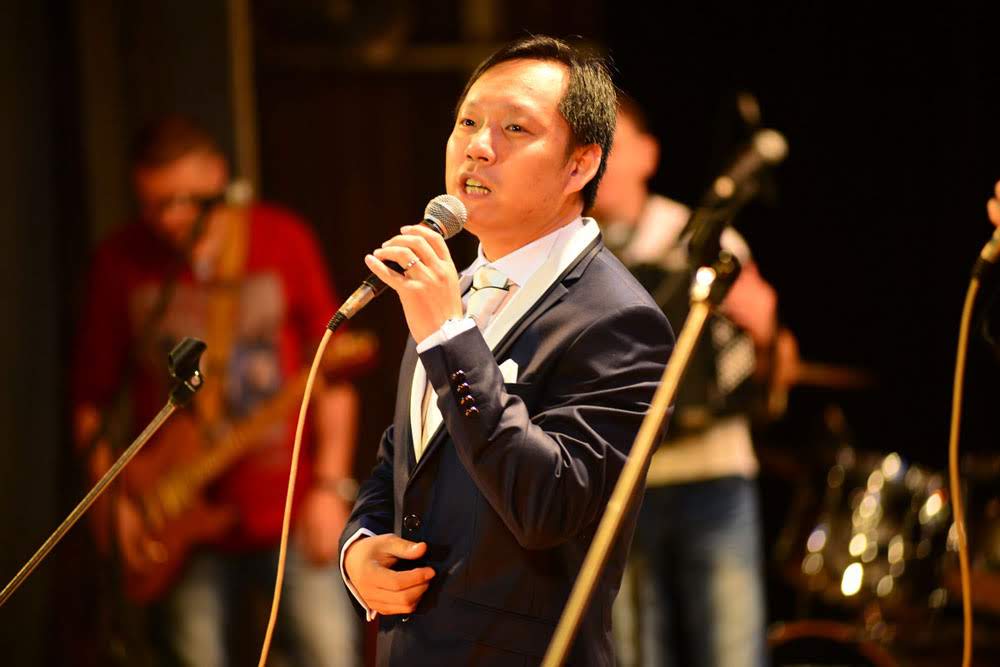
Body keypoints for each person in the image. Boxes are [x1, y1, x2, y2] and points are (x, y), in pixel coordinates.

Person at [338, 36, 673, 666]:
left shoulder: (618, 319)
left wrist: (450, 336)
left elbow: (548, 506)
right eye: (468, 122)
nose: (478, 146)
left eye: (515, 128)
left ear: (580, 166)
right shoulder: (455, 287)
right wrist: (358, 548)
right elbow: (404, 457)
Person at [71, 116, 362, 666]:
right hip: (176, 519)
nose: (170, 219)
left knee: (329, 652)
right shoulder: (120, 260)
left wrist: (331, 487)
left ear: (218, 178)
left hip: (287, 509)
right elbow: (92, 402)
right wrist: (111, 509)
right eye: (154, 205)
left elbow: (335, 376)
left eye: (186, 202)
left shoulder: (282, 237)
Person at [592, 96, 777, 667]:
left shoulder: (705, 239)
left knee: (733, 649)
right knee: (633, 654)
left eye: (614, 146)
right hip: (618, 487)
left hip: (713, 472)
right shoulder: (575, 256)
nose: (602, 163)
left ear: (649, 154)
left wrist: (764, 330)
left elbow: (771, 374)